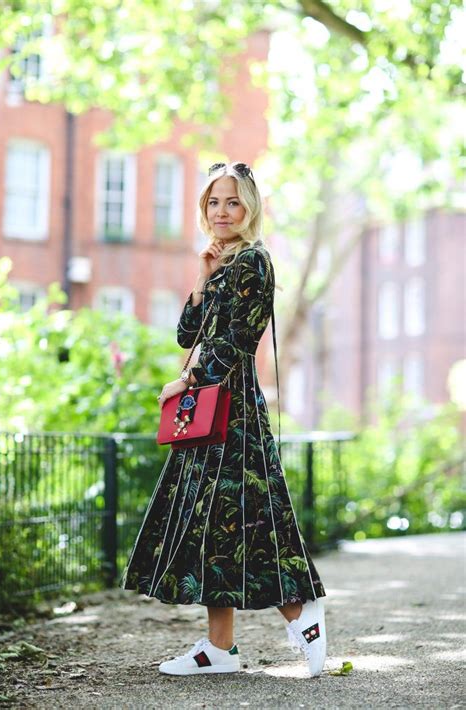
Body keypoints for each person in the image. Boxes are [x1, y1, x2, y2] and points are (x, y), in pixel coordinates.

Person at [120, 161, 327, 677]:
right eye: (213, 202)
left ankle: (302, 613)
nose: (222, 212)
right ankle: (220, 648)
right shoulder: (225, 263)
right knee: (217, 526)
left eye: (233, 202)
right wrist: (202, 276)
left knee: (250, 517)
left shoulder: (255, 262)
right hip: (212, 412)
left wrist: (186, 383)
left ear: (250, 208)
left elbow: (237, 343)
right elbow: (187, 335)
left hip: (230, 412)